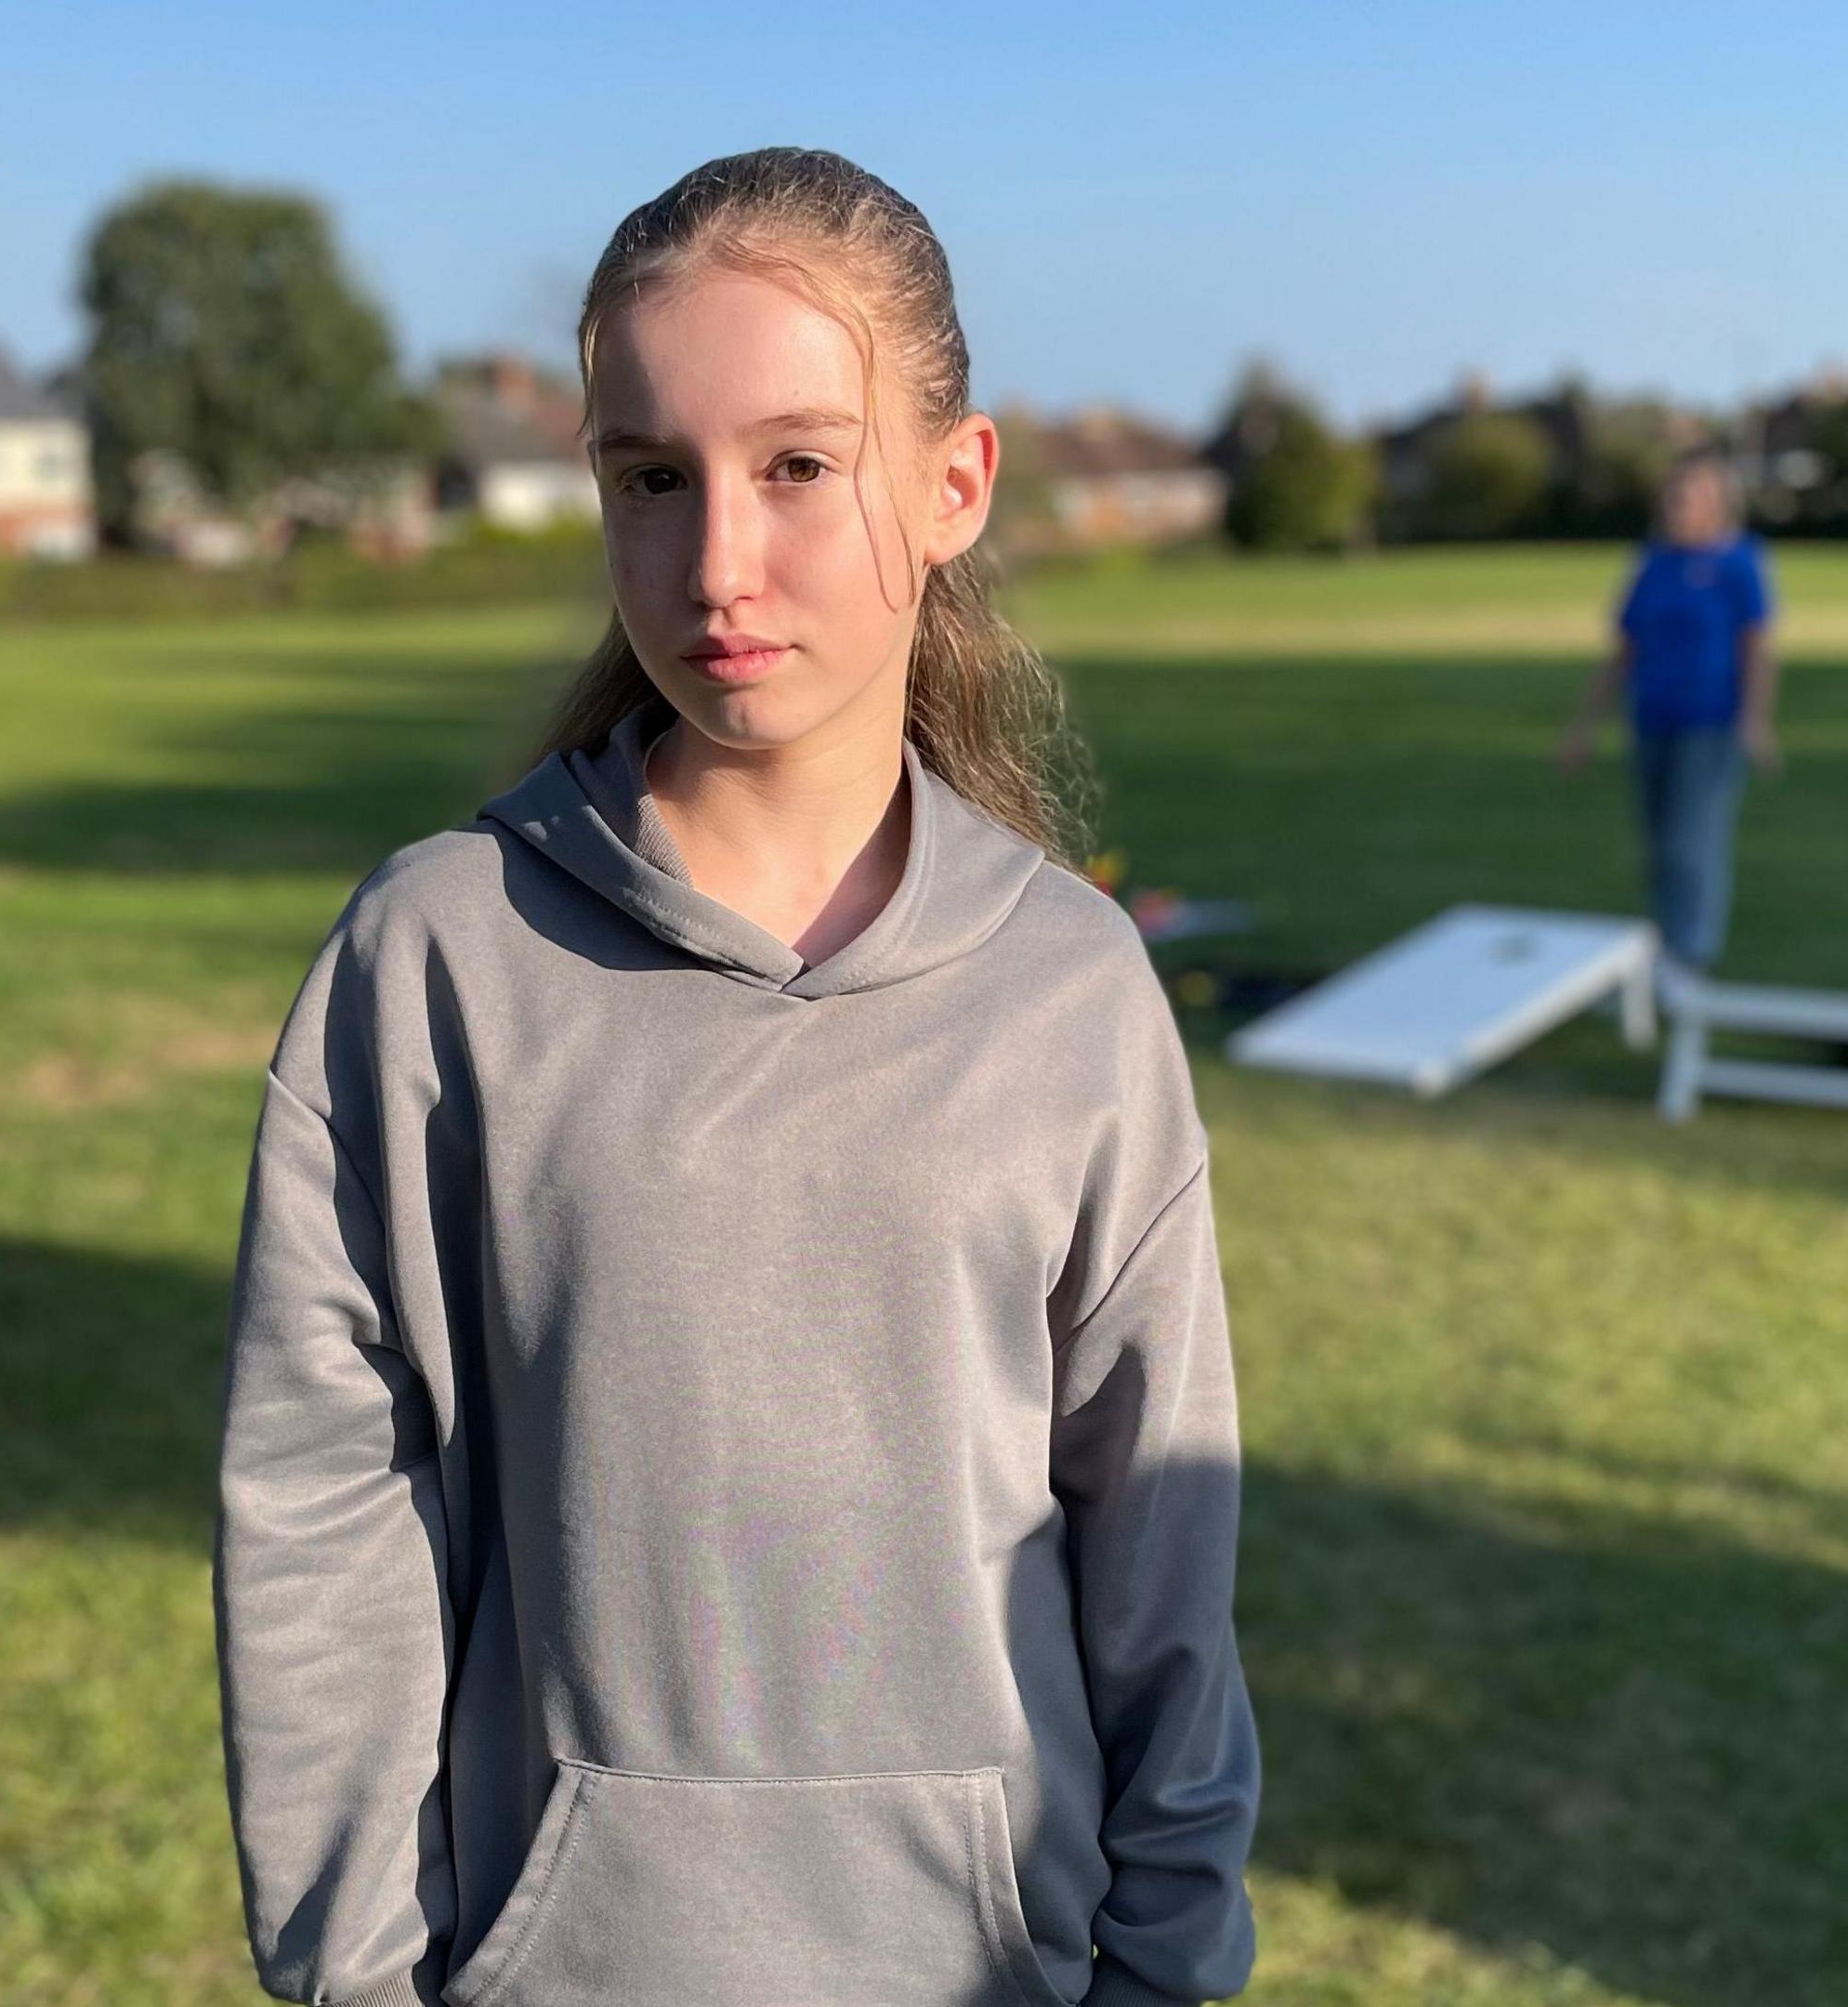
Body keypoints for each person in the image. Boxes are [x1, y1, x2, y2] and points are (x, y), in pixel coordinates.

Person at [215, 149, 1259, 2007]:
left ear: (954, 486)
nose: (716, 562)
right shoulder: (440, 961)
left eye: (797, 466)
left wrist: (1166, 1962)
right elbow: (323, 1513)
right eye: (650, 479)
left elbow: (1159, 1531)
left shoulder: (1071, 992)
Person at [1557, 451, 1782, 983]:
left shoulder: (1739, 561)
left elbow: (1757, 646)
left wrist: (1756, 719)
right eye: (1673, 494)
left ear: (1717, 503)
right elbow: (1624, 648)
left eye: (1690, 494)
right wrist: (1584, 725)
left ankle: (1691, 954)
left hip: (1711, 721)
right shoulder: (1653, 563)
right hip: (1652, 718)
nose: (1678, 503)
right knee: (1659, 845)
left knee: (1692, 840)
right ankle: (1662, 947)